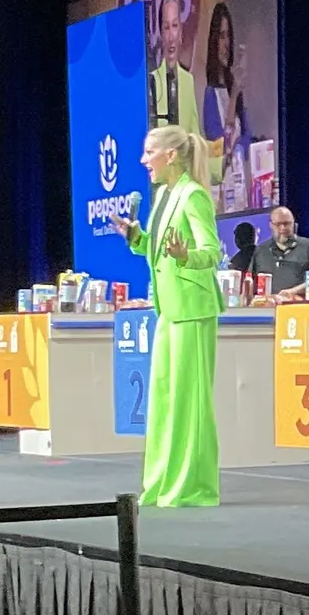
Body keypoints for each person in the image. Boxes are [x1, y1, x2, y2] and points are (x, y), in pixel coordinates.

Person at [108, 126, 222, 507]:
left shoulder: (194, 196)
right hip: (169, 310)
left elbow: (212, 252)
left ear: (170, 155)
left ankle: (191, 486)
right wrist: (136, 237)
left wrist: (186, 256)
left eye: (148, 153)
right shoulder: (162, 198)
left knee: (189, 403)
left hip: (192, 310)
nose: (144, 161)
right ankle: (161, 482)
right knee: (164, 400)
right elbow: (155, 253)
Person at [202, 1, 247, 196]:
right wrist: (234, 94)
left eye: (228, 35)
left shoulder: (234, 88)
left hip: (240, 182)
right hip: (220, 190)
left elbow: (246, 134)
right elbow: (220, 143)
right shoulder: (210, 94)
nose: (226, 43)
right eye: (221, 36)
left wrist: (239, 149)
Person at [150, 0, 199, 137]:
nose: (171, 36)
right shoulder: (151, 82)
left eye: (175, 26)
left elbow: (195, 138)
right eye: (166, 27)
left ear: (181, 31)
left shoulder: (188, 81)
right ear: (160, 33)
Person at [249, 206, 309, 298]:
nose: (283, 228)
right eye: (278, 224)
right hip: (267, 308)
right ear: (271, 225)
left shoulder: (308, 246)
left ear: (294, 224)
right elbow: (250, 279)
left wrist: (293, 291)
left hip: (298, 305)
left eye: (287, 224)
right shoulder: (261, 250)